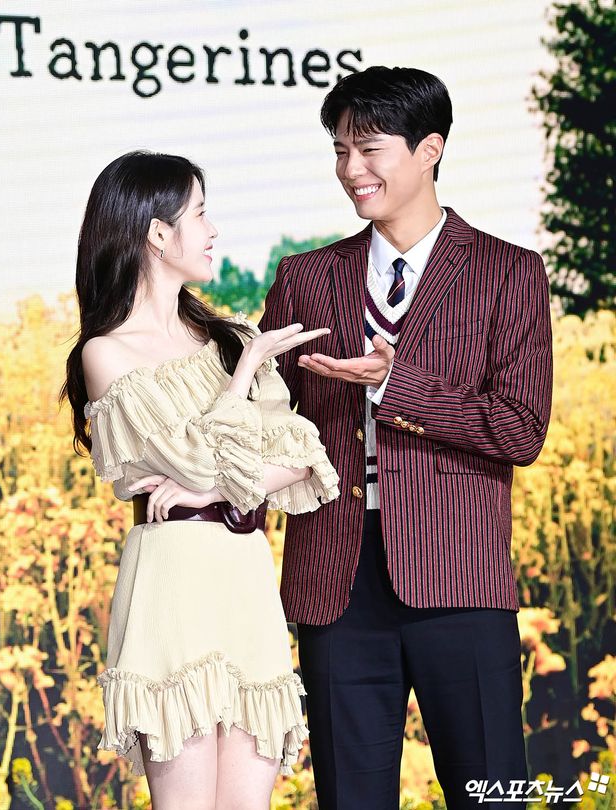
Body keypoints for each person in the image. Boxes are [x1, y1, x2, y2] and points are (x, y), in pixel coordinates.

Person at [258, 66, 553, 809]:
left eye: (369, 149)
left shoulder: (507, 272)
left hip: (460, 577)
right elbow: (262, 419)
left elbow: (520, 429)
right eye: (339, 151)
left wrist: (396, 386)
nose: (351, 169)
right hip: (334, 584)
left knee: (491, 794)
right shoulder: (305, 277)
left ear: (429, 150)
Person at [61, 150, 340, 810]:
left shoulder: (233, 337)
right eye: (201, 215)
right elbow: (190, 459)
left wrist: (213, 490)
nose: (213, 231)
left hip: (243, 577)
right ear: (158, 234)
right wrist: (241, 382)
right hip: (172, 582)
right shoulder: (107, 354)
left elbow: (302, 455)